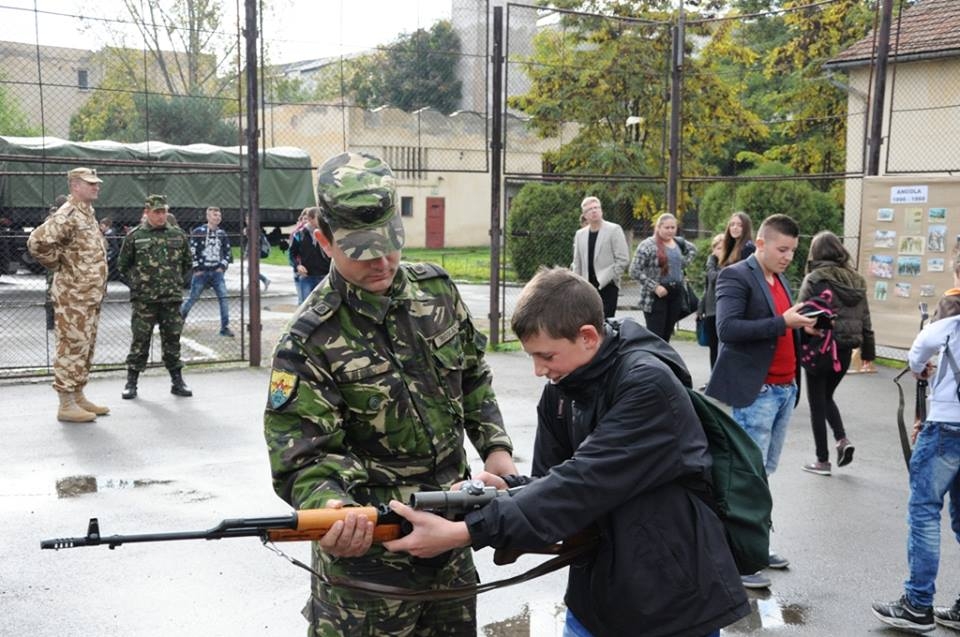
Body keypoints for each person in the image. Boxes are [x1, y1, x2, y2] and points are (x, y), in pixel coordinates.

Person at [383, 267, 750, 637]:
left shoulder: (647, 384)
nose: (538, 371)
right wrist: (509, 488)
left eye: (546, 356)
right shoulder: (563, 389)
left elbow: (581, 484)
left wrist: (467, 531)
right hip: (597, 595)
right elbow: (554, 486)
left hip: (672, 600)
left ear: (588, 336)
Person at [262, 152, 518, 636]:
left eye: (389, 244)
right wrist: (333, 512)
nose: (381, 262)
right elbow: (302, 457)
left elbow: (473, 376)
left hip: (450, 534)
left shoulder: (437, 293)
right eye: (362, 251)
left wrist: (497, 450)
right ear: (324, 241)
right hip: (368, 570)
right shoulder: (307, 340)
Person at [705, 213, 816, 589]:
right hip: (757, 392)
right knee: (745, 478)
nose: (788, 257)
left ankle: (757, 546)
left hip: (784, 390)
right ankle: (737, 557)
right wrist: (783, 323)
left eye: (793, 251)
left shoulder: (780, 278)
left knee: (763, 474)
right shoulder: (735, 275)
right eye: (782, 249)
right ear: (762, 244)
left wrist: (803, 325)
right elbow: (728, 330)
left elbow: (782, 324)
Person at [872, 299, 960, 633]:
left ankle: (917, 604)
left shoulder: (948, 327)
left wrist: (922, 367)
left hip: (947, 426)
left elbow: (918, 352)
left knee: (925, 511)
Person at [26, 168, 109, 423]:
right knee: (71, 346)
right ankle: (65, 403)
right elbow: (36, 242)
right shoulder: (68, 213)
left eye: (96, 183)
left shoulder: (87, 211)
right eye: (90, 183)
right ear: (75, 186)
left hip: (89, 295)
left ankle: (78, 395)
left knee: (85, 346)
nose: (96, 187)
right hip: (73, 296)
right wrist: (58, 265)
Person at [796, 231, 875, 476]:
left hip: (819, 346)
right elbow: (865, 317)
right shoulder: (857, 280)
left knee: (817, 403)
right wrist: (868, 350)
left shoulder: (815, 278)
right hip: (844, 349)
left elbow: (800, 312)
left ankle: (822, 460)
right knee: (826, 396)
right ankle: (842, 440)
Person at [116, 195, 194, 400]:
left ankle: (177, 381)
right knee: (140, 341)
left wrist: (174, 282)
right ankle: (131, 383)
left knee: (172, 340)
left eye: (163, 212)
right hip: (145, 301)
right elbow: (122, 266)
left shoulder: (178, 235)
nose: (161, 216)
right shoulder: (135, 236)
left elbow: (187, 264)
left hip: (171, 299)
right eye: (157, 212)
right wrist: (137, 286)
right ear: (147, 212)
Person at [628, 212, 697, 342]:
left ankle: (664, 361)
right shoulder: (647, 245)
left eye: (673, 227)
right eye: (666, 228)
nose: (670, 231)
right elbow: (634, 270)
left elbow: (693, 250)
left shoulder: (677, 242)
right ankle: (653, 360)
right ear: (658, 228)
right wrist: (655, 287)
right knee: (656, 337)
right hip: (655, 297)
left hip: (675, 293)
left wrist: (681, 264)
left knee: (666, 336)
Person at [570, 196, 629, 318]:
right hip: (587, 287)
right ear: (585, 215)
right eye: (590, 209)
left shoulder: (614, 229)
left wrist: (611, 277)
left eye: (596, 207)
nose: (594, 211)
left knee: (605, 323)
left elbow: (623, 259)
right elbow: (577, 262)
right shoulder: (580, 234)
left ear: (601, 210)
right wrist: (578, 283)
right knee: (587, 320)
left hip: (607, 285)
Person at [180, 206, 234, 337]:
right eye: (215, 215)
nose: (218, 217)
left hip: (217, 272)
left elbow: (228, 252)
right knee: (193, 298)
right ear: (208, 217)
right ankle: (179, 319)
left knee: (223, 298)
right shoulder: (199, 231)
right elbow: (192, 251)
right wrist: (196, 268)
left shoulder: (222, 234)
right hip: (201, 272)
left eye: (219, 215)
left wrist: (222, 266)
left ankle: (225, 327)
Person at [287, 206, 331, 304]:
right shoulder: (299, 234)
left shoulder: (328, 233)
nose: (322, 220)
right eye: (319, 218)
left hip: (326, 276)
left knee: (324, 306)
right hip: (307, 276)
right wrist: (298, 266)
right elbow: (292, 253)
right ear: (310, 219)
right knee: (305, 305)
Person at [698, 233, 725, 371]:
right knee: (713, 346)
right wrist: (700, 308)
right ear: (713, 250)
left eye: (724, 248)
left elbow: (719, 277)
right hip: (711, 310)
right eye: (719, 248)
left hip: (724, 310)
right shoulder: (711, 264)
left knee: (724, 346)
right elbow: (709, 284)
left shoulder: (730, 265)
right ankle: (713, 376)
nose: (722, 251)